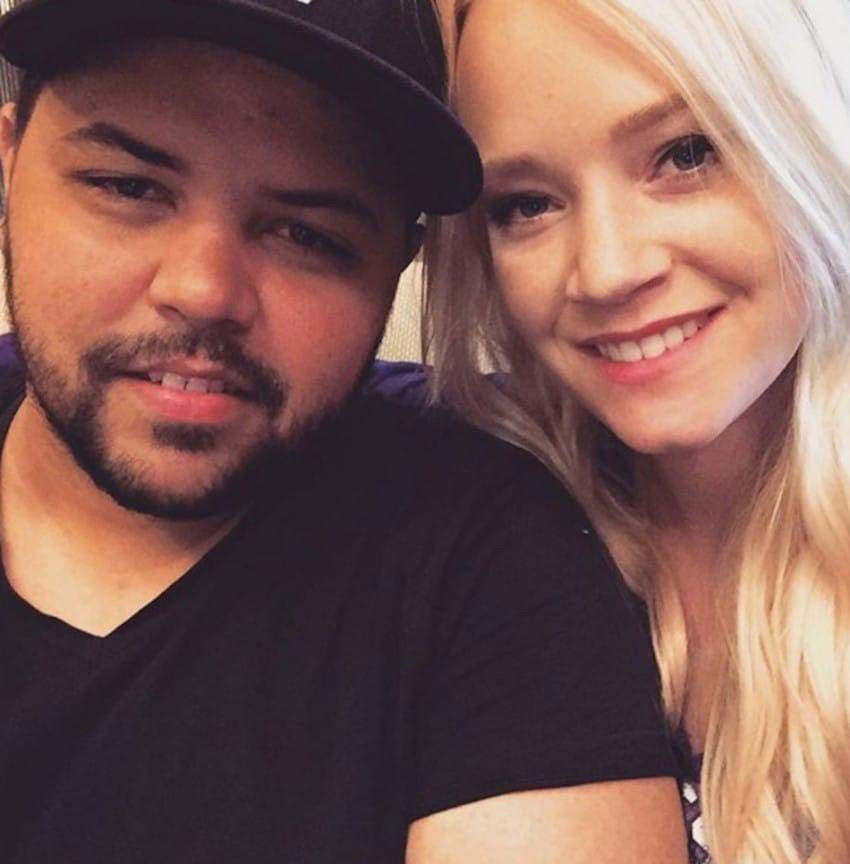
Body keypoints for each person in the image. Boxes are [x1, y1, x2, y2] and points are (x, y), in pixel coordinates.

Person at [0, 1, 688, 862]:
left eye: (306, 233)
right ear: (10, 159)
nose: (203, 290)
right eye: (129, 187)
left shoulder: (484, 559)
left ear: (397, 262)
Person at [423, 0, 850, 862]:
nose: (608, 270)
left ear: (807, 137)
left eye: (686, 155)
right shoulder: (463, 517)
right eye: (528, 205)